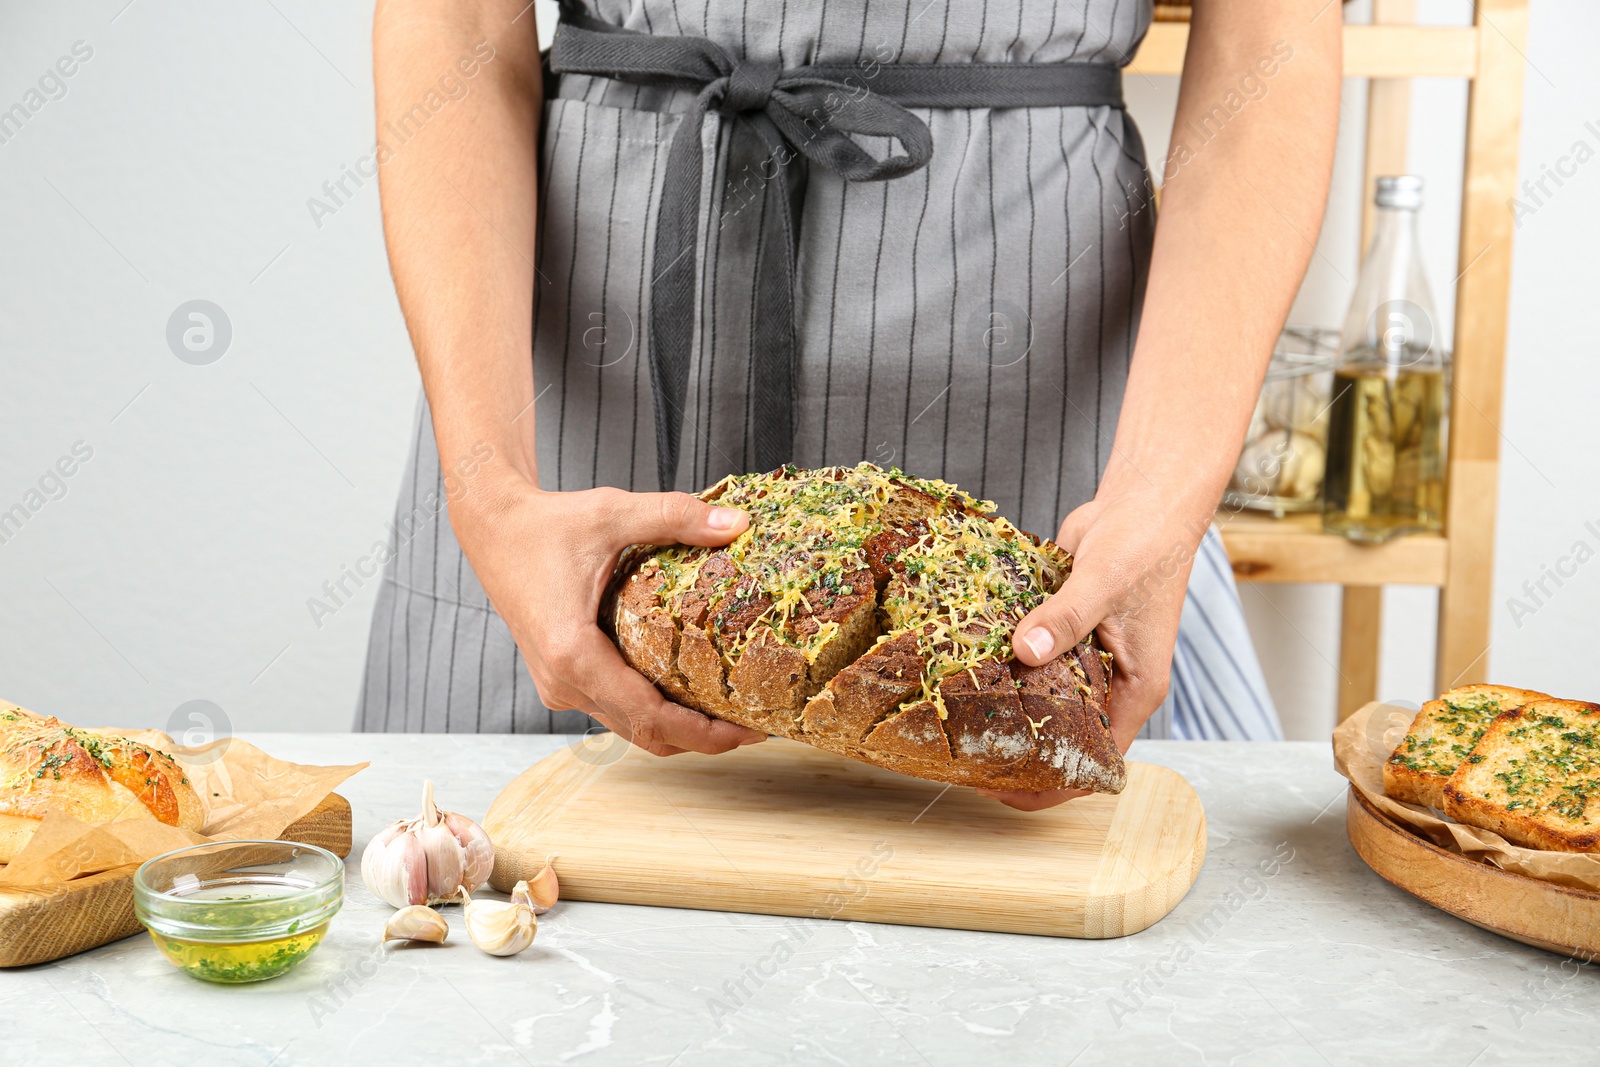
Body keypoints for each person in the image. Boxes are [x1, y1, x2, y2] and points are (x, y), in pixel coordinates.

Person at [357, 0, 1340, 810]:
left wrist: (1163, 492)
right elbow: (447, 20)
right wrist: (493, 490)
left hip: (1051, 440)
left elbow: (1272, 40)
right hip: (565, 441)